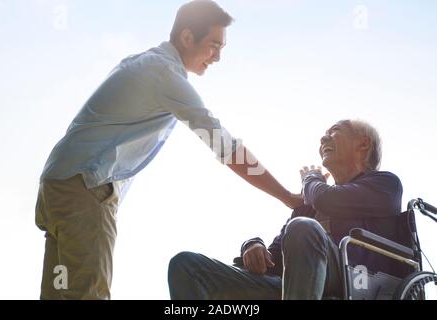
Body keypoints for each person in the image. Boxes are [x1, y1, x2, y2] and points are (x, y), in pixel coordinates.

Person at [35, 0, 301, 300]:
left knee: (59, 293)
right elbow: (226, 147)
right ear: (187, 37)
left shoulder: (143, 62)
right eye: (214, 45)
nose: (217, 57)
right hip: (86, 187)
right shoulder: (165, 75)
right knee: (87, 294)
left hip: (58, 185)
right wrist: (287, 197)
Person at [168, 119, 406, 300]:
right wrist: (252, 245)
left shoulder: (385, 184)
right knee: (186, 266)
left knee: (302, 227)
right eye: (323, 136)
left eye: (334, 131)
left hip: (356, 280)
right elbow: (277, 255)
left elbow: (327, 200)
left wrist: (311, 179)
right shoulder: (308, 208)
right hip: (292, 287)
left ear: (363, 143)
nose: (323, 140)